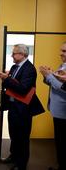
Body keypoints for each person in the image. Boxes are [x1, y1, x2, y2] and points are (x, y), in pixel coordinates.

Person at [0, 44, 44, 170]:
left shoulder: (30, 69)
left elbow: (23, 89)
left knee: (22, 137)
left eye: (14, 53)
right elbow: (12, 85)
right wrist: (6, 78)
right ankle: (13, 156)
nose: (12, 55)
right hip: (13, 107)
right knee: (13, 135)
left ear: (22, 54)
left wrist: (6, 79)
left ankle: (21, 164)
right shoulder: (13, 67)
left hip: (23, 109)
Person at [39, 42, 66, 170]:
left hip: (63, 111)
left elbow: (62, 87)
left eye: (64, 51)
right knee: (60, 143)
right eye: (61, 50)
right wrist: (47, 75)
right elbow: (54, 83)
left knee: (62, 143)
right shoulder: (62, 65)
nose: (61, 53)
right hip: (58, 111)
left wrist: (49, 75)